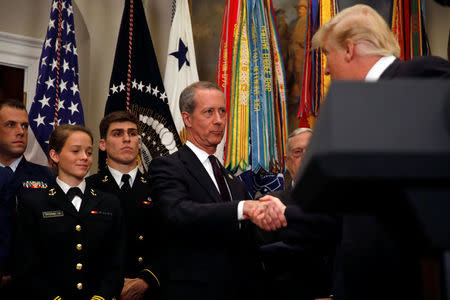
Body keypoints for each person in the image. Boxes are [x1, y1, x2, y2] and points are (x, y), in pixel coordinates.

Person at [307, 4, 450, 300]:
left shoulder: (418, 75)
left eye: (327, 54)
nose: (326, 68)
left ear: (348, 50)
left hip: (406, 281)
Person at [148, 81, 285, 300]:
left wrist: (276, 217)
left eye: (222, 111)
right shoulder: (168, 167)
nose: (219, 120)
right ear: (187, 119)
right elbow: (178, 212)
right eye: (209, 112)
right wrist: (244, 208)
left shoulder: (233, 180)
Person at [13, 124, 125, 300]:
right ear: (54, 155)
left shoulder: (109, 203)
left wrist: (101, 297)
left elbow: (116, 263)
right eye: (75, 151)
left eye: (88, 152)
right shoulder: (35, 203)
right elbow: (27, 266)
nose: (84, 157)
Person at [256, 128, 340, 300]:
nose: (305, 156)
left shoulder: (339, 200)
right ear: (287, 161)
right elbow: (267, 258)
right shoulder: (270, 202)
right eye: (298, 152)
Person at [86, 111, 161, 300]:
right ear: (102, 144)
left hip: (148, 289)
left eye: (133, 133)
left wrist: (146, 280)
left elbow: (171, 241)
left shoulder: (159, 187)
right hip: (98, 291)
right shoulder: (88, 187)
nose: (127, 139)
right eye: (118, 134)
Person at [0, 98, 54, 295]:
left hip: (33, 284)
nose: (21, 132)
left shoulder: (47, 177)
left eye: (24, 125)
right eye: (10, 125)